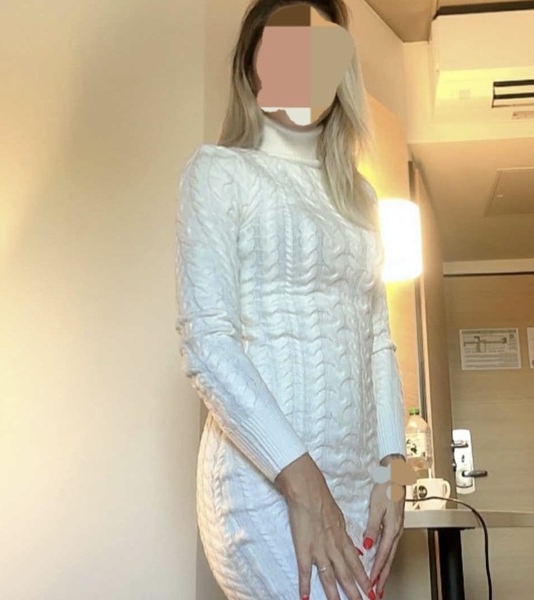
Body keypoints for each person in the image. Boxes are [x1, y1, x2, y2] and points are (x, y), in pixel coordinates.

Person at [175, 1, 409, 598]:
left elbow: (377, 343)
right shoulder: (219, 174)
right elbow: (207, 343)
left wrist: (392, 470)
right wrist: (304, 485)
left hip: (356, 486)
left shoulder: (361, 198)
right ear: (251, 65)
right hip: (266, 482)